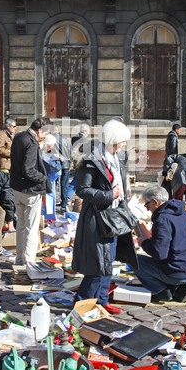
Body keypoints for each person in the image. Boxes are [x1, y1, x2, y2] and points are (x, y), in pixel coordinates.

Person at [72, 119, 138, 314]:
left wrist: (123, 197)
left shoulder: (117, 157)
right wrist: (110, 195)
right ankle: (81, 303)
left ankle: (101, 300)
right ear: (113, 139)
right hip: (96, 218)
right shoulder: (91, 159)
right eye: (123, 141)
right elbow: (82, 190)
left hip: (113, 217)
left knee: (108, 262)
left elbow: (119, 182)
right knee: (98, 263)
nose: (125, 144)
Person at [131, 185, 186, 303]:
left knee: (133, 259)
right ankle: (178, 288)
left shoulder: (162, 219)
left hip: (175, 271)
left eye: (147, 205)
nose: (147, 209)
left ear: (155, 202)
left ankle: (160, 291)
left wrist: (144, 242)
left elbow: (159, 253)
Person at [10, 118, 51, 266]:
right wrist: (43, 179)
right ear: (39, 130)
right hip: (29, 189)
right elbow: (29, 170)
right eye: (46, 133)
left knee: (21, 225)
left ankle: (20, 259)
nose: (45, 136)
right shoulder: (32, 143)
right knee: (31, 228)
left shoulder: (19, 136)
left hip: (17, 187)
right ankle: (28, 261)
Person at [41, 134, 62, 221]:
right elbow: (53, 166)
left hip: (45, 179)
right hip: (45, 180)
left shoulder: (43, 152)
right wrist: (59, 161)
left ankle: (47, 216)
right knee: (47, 198)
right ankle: (47, 217)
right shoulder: (41, 152)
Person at [68, 123, 91, 199]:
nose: (88, 133)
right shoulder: (85, 140)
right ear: (84, 131)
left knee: (77, 178)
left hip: (75, 160)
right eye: (88, 131)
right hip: (81, 161)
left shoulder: (74, 137)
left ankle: (70, 194)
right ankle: (68, 194)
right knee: (77, 179)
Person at [52, 127, 71, 214]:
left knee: (53, 185)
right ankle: (63, 205)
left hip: (54, 165)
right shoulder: (65, 140)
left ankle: (52, 205)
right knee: (64, 185)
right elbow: (70, 152)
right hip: (65, 164)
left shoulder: (51, 140)